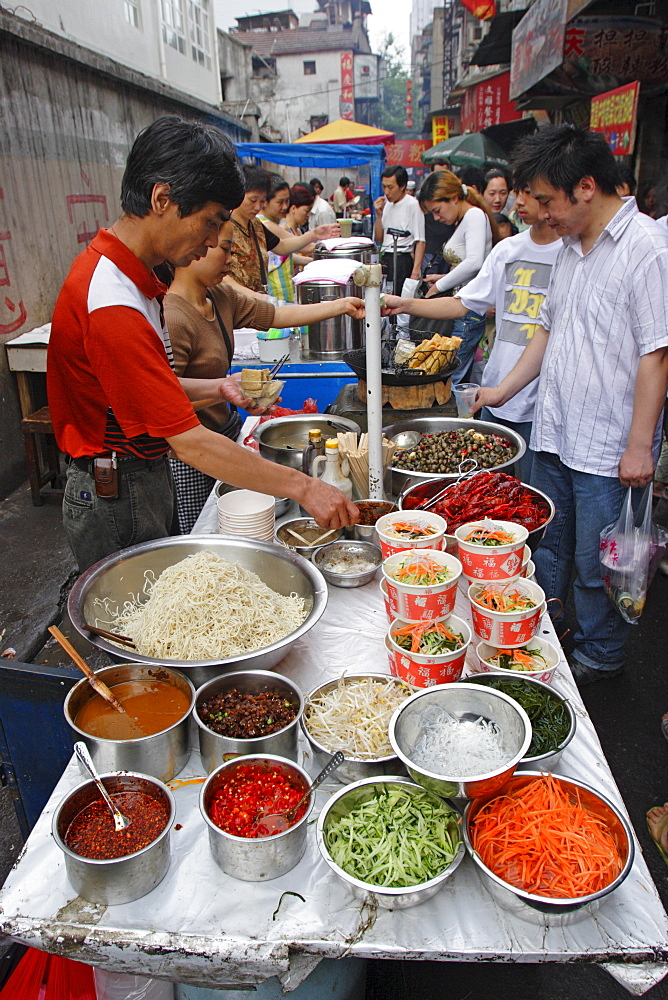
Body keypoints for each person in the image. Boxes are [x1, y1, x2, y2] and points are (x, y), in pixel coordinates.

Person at [47, 116, 359, 573]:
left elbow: (149, 389)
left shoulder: (138, 278)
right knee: (128, 626)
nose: (214, 242)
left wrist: (217, 388)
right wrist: (305, 486)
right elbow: (191, 442)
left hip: (140, 477)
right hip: (116, 488)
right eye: (210, 223)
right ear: (162, 198)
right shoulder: (112, 302)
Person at [472, 125, 668, 686]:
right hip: (554, 429)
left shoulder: (646, 249)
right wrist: (503, 390)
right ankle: (551, 638)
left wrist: (638, 446)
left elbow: (657, 354)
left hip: (608, 445)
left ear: (586, 187)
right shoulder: (569, 249)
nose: (538, 213)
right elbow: (547, 331)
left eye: (545, 199)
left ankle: (601, 655)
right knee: (551, 545)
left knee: (598, 563)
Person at [165, 219, 367, 531]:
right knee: (205, 528)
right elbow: (163, 406)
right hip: (190, 453)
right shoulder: (173, 317)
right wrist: (221, 391)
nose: (231, 259)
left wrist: (339, 305)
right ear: (195, 246)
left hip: (225, 431)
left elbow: (276, 315)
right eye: (225, 249)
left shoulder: (219, 298)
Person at [382, 179, 562, 484]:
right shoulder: (508, 250)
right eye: (521, 191)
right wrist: (404, 305)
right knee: (487, 488)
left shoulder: (568, 253)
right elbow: (460, 304)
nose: (519, 201)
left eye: (530, 192)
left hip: (542, 405)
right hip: (495, 394)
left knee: (532, 495)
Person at [419, 170, 499, 384]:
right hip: (463, 305)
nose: (436, 217)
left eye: (437, 210)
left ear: (454, 198)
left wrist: (440, 285)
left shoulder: (473, 215)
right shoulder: (464, 218)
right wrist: (444, 277)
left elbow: (474, 262)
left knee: (452, 378)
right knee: (451, 373)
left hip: (469, 310)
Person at [224, 166, 339, 299]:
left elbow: (282, 246)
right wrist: (254, 296)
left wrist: (314, 234)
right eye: (253, 200)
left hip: (255, 303)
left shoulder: (256, 225)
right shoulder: (225, 226)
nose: (257, 207)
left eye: (262, 201)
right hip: (236, 302)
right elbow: (221, 277)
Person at [373, 164, 426, 296]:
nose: (387, 192)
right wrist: (378, 215)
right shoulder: (386, 204)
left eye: (391, 187)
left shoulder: (413, 205)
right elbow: (380, 239)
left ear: (403, 186)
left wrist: (415, 272)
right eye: (384, 187)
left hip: (403, 258)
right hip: (386, 257)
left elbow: (420, 241)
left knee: (400, 300)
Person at [257, 173, 293, 303]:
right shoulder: (266, 225)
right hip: (275, 291)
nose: (285, 206)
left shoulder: (275, 224)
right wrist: (315, 235)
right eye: (280, 202)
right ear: (265, 201)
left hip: (283, 289)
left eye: (287, 201)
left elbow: (284, 254)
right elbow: (288, 246)